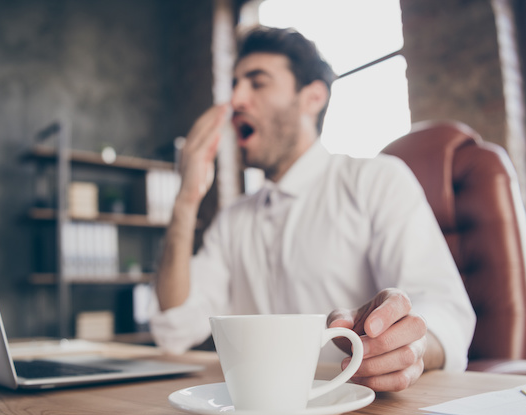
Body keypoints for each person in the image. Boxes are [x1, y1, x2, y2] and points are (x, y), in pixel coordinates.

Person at [150, 26, 476, 392]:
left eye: (257, 83)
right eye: (235, 85)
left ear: (312, 98)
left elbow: (446, 311)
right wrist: (185, 200)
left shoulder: (377, 181)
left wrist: (409, 346)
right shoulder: (233, 220)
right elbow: (173, 328)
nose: (236, 100)